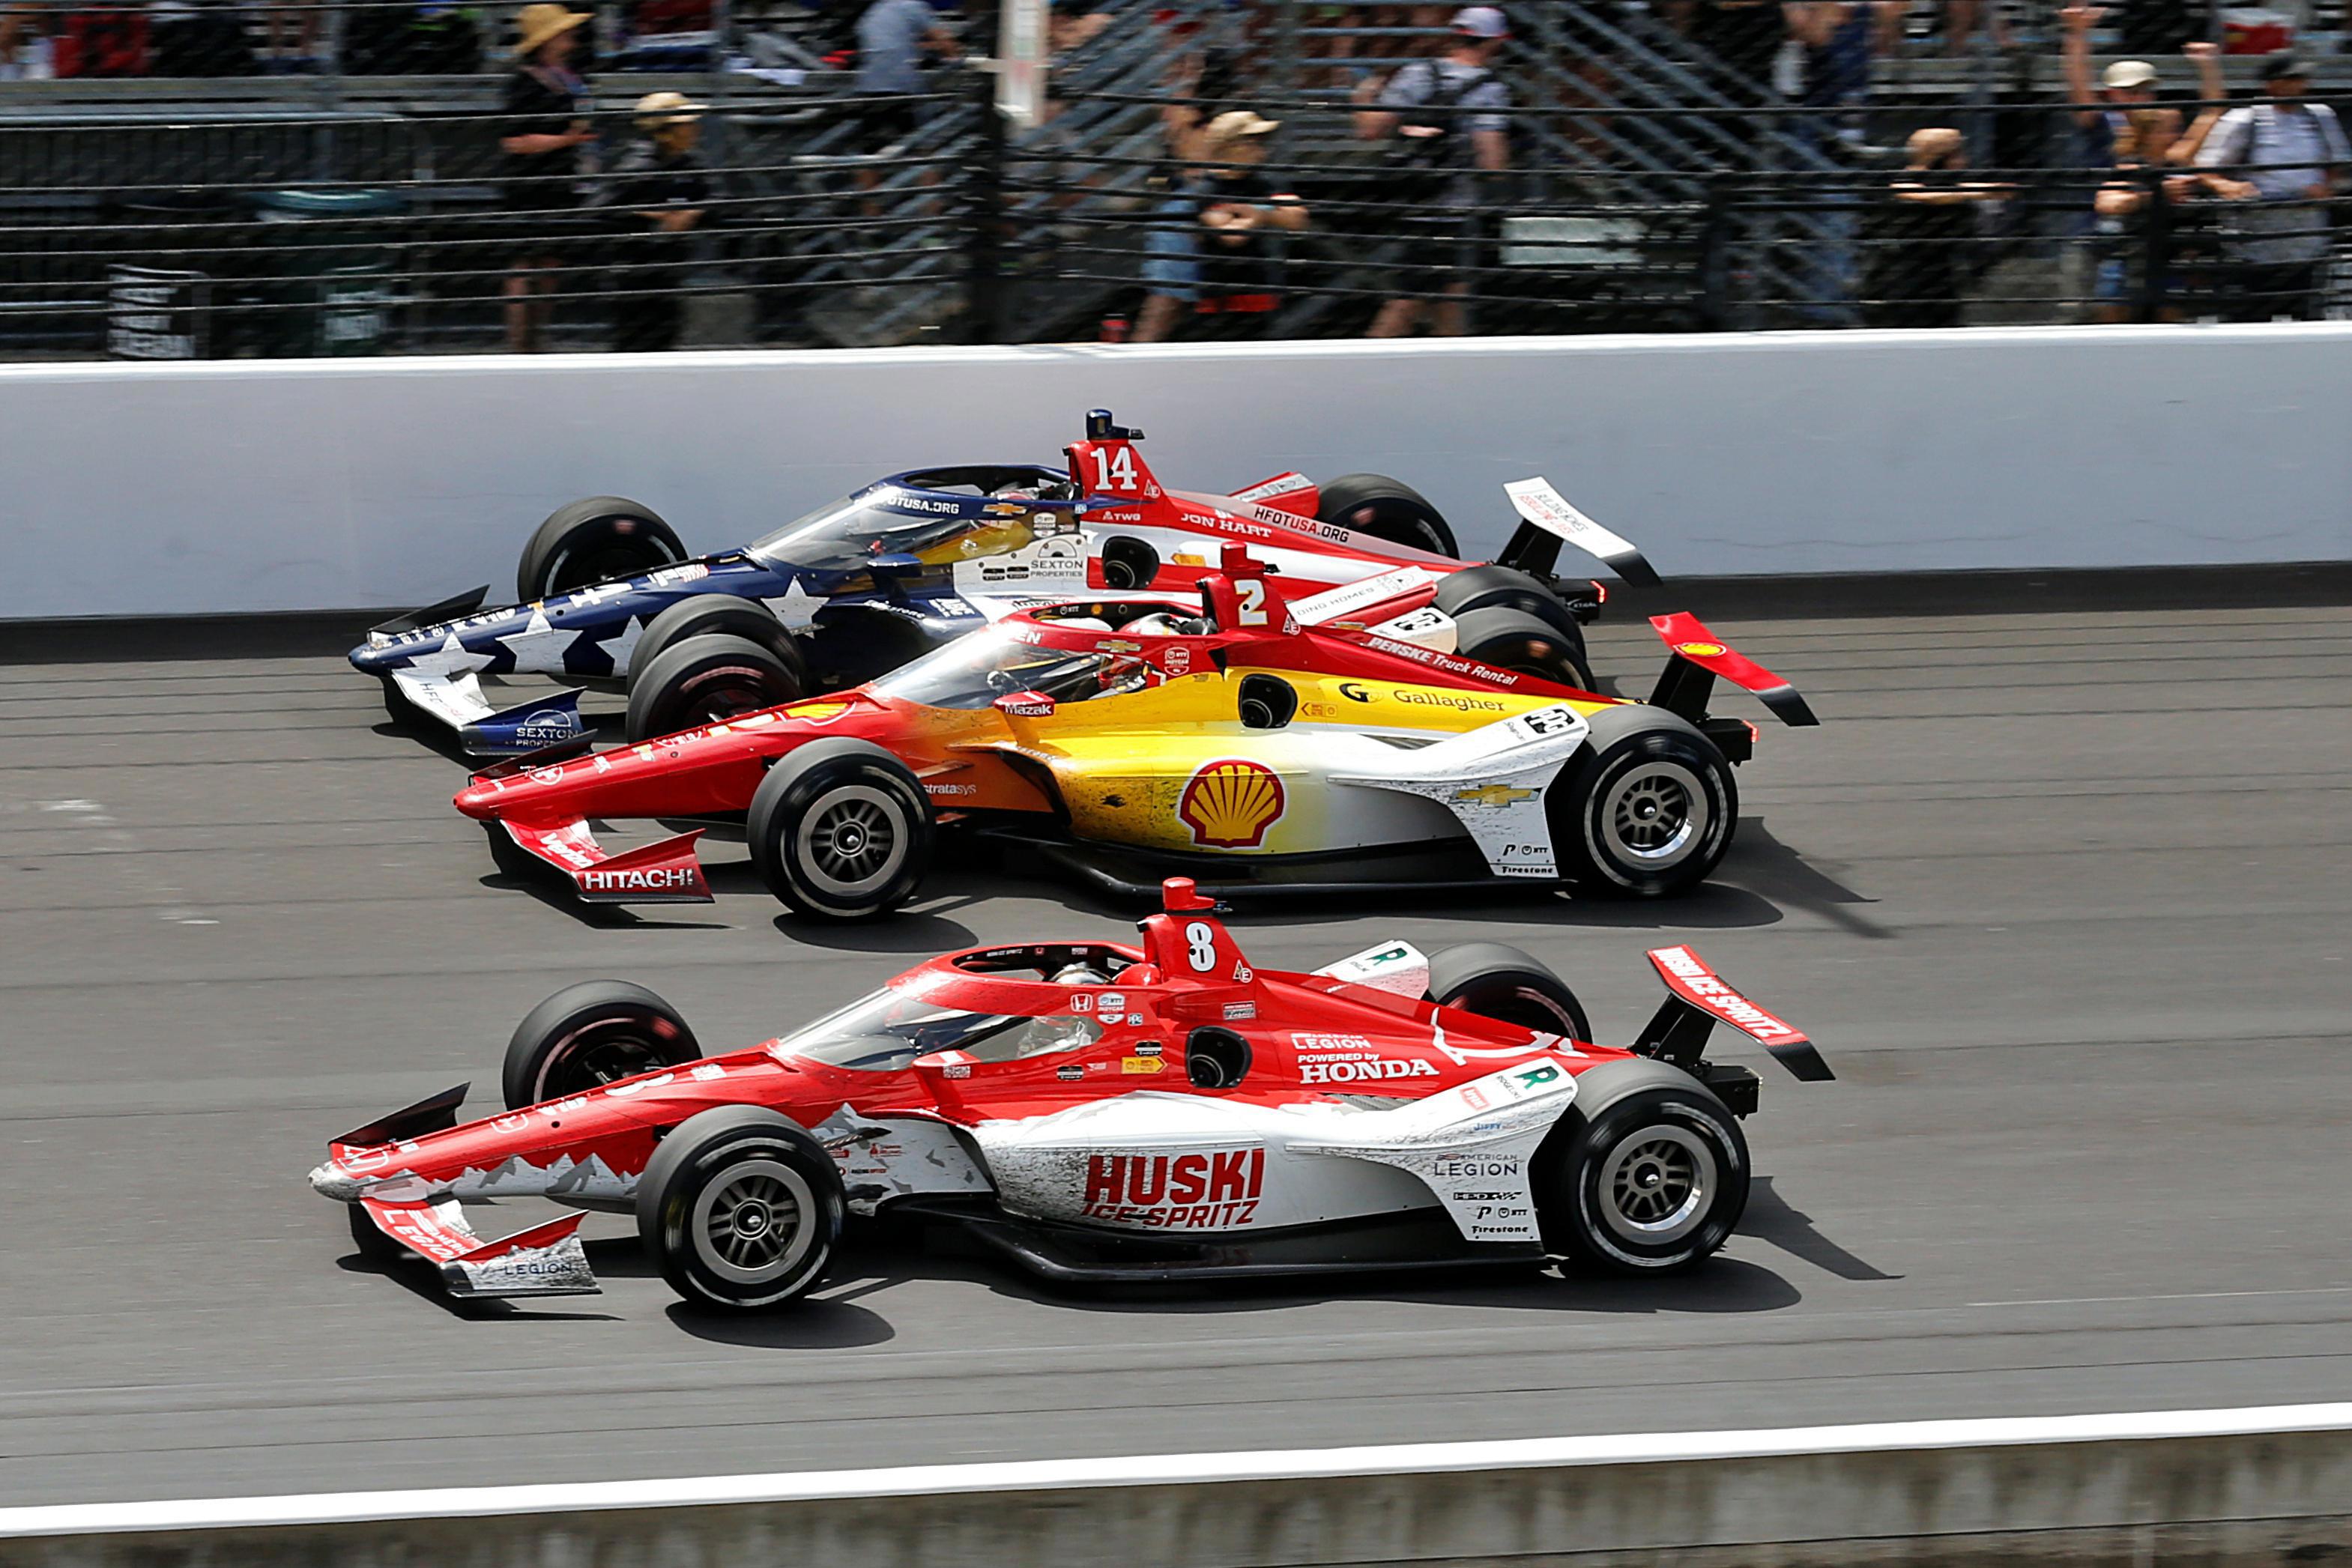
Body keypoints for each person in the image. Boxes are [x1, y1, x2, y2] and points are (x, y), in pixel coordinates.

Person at [1351, 5, 1511, 339]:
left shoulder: (1417, 72)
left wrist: (1364, 94)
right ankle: (1365, 364)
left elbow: (1370, 130)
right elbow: (1493, 164)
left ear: (1455, 36)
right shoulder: (1489, 88)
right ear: (1496, 42)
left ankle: (1455, 369)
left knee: (1449, 294)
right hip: (1453, 208)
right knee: (1409, 300)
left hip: (1410, 197)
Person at [2195, 53, 2350, 321]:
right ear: (2271, 84)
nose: (2298, 85)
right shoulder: (2244, 119)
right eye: (2291, 79)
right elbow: (2206, 169)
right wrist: (2228, 187)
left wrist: (2328, 186)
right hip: (2254, 240)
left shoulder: (2320, 116)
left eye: (2301, 79)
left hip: (2307, 238)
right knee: (2249, 318)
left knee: (2307, 316)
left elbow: (2339, 162)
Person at [1133, 110, 1310, 343]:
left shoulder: (1258, 183)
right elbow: (1231, 235)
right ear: (1230, 147)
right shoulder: (1207, 190)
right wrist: (1264, 213)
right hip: (1220, 304)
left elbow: (1298, 217)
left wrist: (1252, 214)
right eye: (1253, 142)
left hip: (1259, 299)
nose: (1261, 149)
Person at [499, 3, 596, 353]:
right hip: (529, 183)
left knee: (552, 261)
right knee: (525, 263)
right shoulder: (523, 84)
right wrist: (566, 140)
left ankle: (537, 338)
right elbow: (513, 141)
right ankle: (518, 343)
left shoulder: (569, 78)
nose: (571, 38)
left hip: (563, 180)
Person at [593, 91, 711, 352]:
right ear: (664, 131)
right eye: (687, 125)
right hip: (632, 269)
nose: (695, 130)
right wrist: (653, 214)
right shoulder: (636, 166)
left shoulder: (687, 163)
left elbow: (719, 197)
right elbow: (600, 207)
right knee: (634, 341)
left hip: (668, 268)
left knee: (666, 335)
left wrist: (693, 212)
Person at [1865, 127, 2013, 327]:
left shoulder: (1951, 184)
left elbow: (1962, 189)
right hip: (1901, 281)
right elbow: (1924, 196)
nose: (1963, 161)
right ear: (1937, 158)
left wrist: (1989, 190)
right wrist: (1977, 194)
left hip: (1941, 280)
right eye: (1956, 155)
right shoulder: (1904, 181)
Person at [2059, 5, 2158, 172]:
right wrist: (2077, 34)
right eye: (2131, 92)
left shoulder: (2162, 121)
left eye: (2145, 90)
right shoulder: (2103, 121)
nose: (2140, 97)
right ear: (2113, 93)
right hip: (2106, 188)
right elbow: (2078, 83)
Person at [853, 0, 955, 153]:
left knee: (871, 152)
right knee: (926, 148)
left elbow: (890, 45)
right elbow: (946, 43)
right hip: (902, 85)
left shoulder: (875, 10)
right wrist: (956, 61)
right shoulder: (913, 6)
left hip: (871, 86)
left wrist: (924, 47)